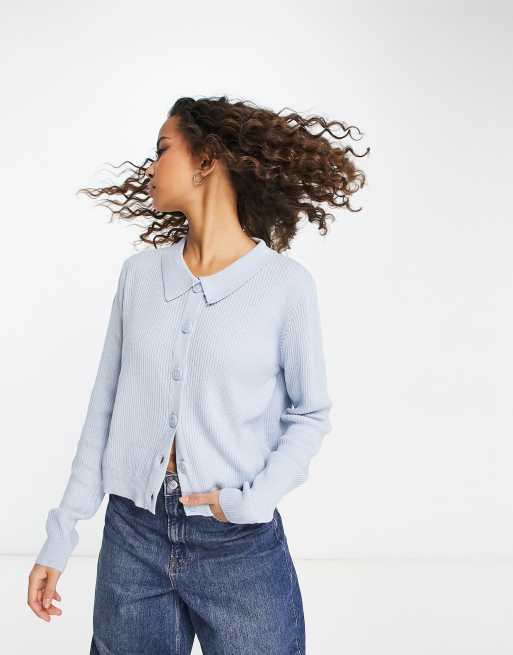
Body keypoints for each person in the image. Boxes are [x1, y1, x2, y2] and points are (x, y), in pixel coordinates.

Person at [27, 95, 368, 654]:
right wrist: (60, 535)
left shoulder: (285, 286)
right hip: (132, 537)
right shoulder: (140, 277)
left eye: (163, 150)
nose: (150, 167)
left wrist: (256, 501)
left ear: (207, 159)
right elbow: (105, 407)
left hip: (238, 544)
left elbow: (310, 414)